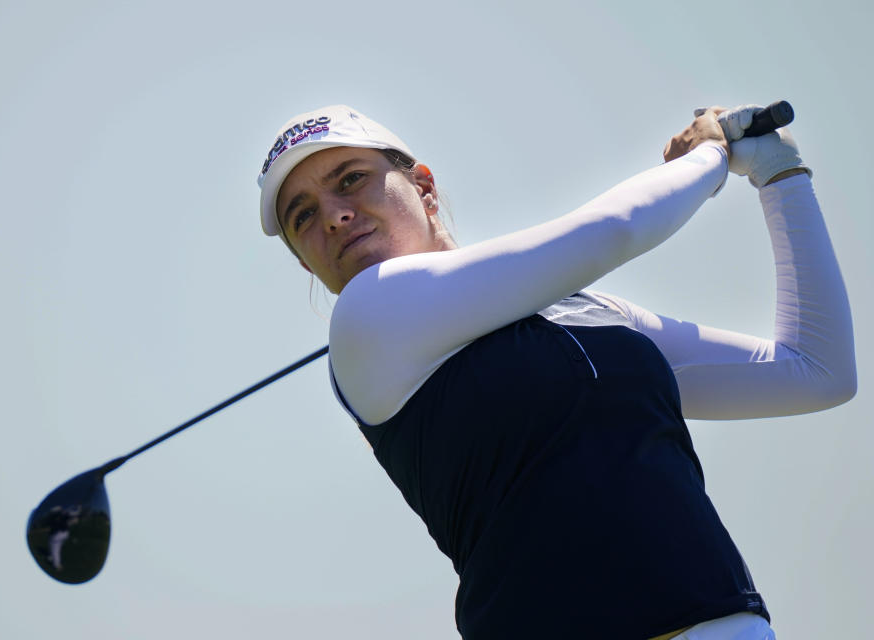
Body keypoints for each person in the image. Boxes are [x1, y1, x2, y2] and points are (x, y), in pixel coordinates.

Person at [255, 104, 856, 639]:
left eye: (351, 180)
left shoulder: (590, 314)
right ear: (305, 260)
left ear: (423, 186)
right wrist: (712, 154)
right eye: (302, 216)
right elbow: (616, 229)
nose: (332, 216)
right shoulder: (368, 316)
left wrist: (780, 175)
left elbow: (816, 372)